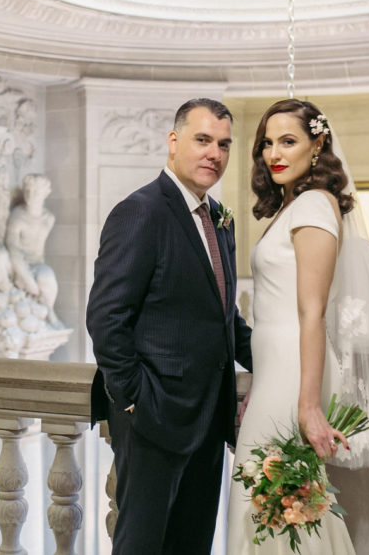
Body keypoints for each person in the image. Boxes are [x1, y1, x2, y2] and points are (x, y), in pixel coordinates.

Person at [226, 99, 369, 554]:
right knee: (274, 507)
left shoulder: (312, 207)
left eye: (289, 141)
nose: (274, 153)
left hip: (293, 377)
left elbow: (312, 313)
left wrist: (306, 406)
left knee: (270, 504)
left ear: (317, 143)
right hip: (276, 374)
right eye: (267, 142)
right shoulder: (294, 207)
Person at [88, 98, 254, 555]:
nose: (214, 154)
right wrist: (134, 401)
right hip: (154, 419)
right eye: (202, 140)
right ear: (174, 141)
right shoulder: (141, 211)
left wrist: (282, 363)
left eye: (223, 144)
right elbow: (106, 315)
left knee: (191, 544)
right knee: (142, 546)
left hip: (208, 418)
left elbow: (225, 318)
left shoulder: (220, 219)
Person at [4, 173, 58, 322]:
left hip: (37, 263)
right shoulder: (17, 216)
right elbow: (12, 248)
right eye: (27, 190)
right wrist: (28, 280)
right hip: (18, 265)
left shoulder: (49, 219)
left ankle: (49, 311)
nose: (30, 194)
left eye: (35, 191)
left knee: (47, 278)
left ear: (45, 193)